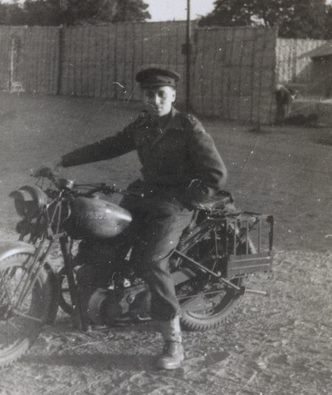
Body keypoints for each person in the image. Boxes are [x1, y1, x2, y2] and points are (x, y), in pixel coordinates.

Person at [39, 67, 227, 370]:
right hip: (142, 197)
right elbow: (108, 146)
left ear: (173, 96)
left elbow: (216, 175)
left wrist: (185, 200)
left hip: (174, 205)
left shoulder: (188, 126)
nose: (154, 100)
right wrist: (61, 161)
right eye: (149, 95)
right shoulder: (143, 125)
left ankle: (173, 344)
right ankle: (97, 306)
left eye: (160, 94)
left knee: (152, 261)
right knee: (104, 238)